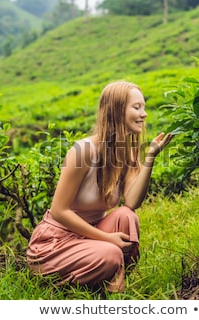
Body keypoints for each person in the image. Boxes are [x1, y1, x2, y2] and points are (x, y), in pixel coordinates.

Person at [26, 81, 173, 293]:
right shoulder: (84, 150)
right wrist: (107, 239)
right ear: (116, 110)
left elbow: (132, 202)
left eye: (144, 107)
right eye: (137, 107)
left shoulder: (126, 152)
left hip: (90, 236)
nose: (144, 114)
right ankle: (90, 287)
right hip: (54, 244)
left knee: (126, 216)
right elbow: (59, 211)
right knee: (111, 253)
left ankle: (108, 286)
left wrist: (150, 158)